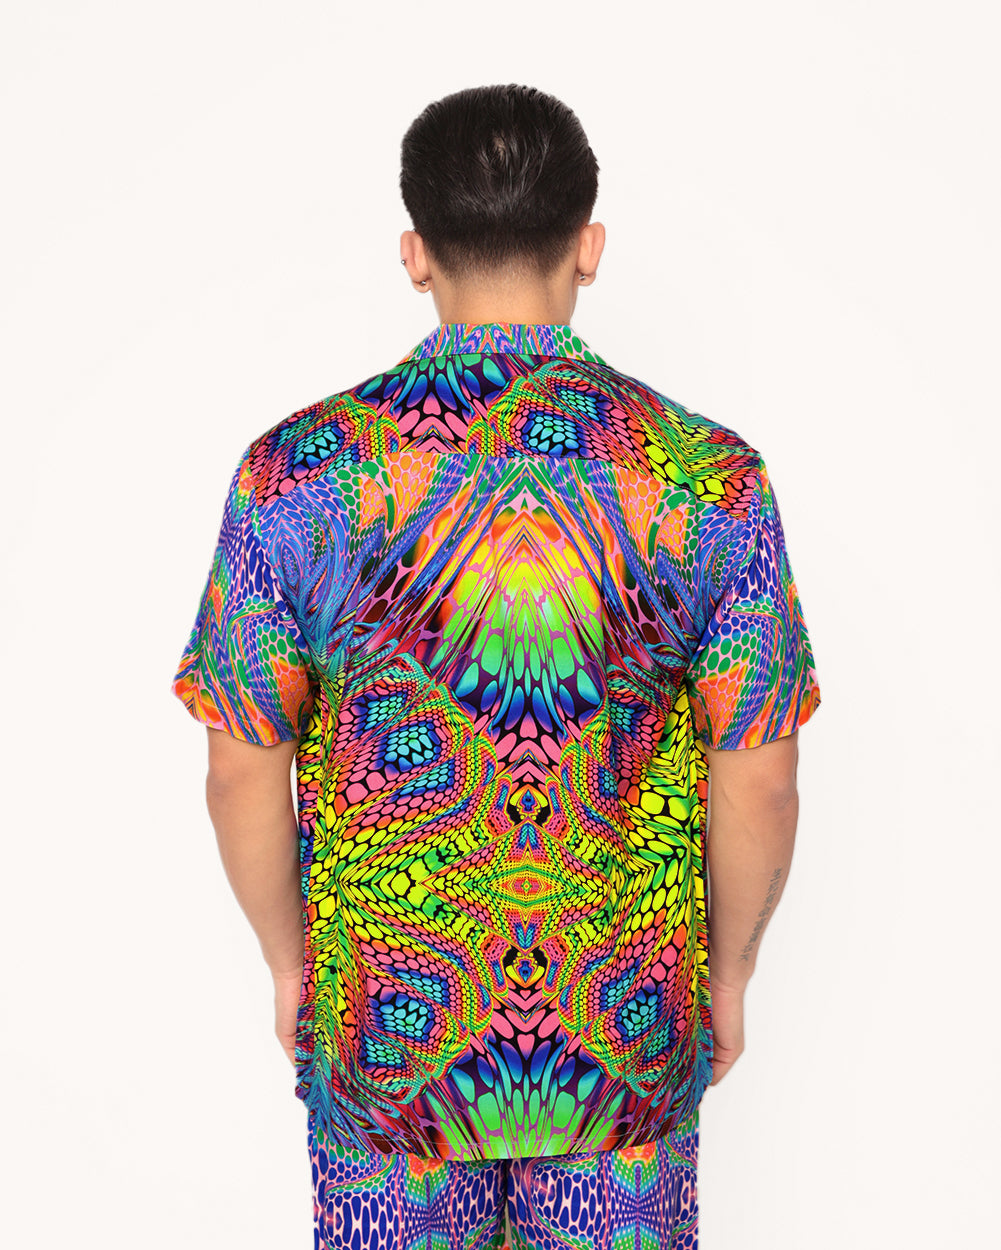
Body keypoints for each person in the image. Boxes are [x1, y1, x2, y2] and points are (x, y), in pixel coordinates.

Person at [172, 84, 820, 1250]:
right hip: (619, 1042)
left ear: (414, 253)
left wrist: (291, 965)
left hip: (393, 1041)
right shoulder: (705, 478)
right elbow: (761, 776)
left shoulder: (298, 476)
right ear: (589, 246)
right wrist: (724, 975)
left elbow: (237, 766)